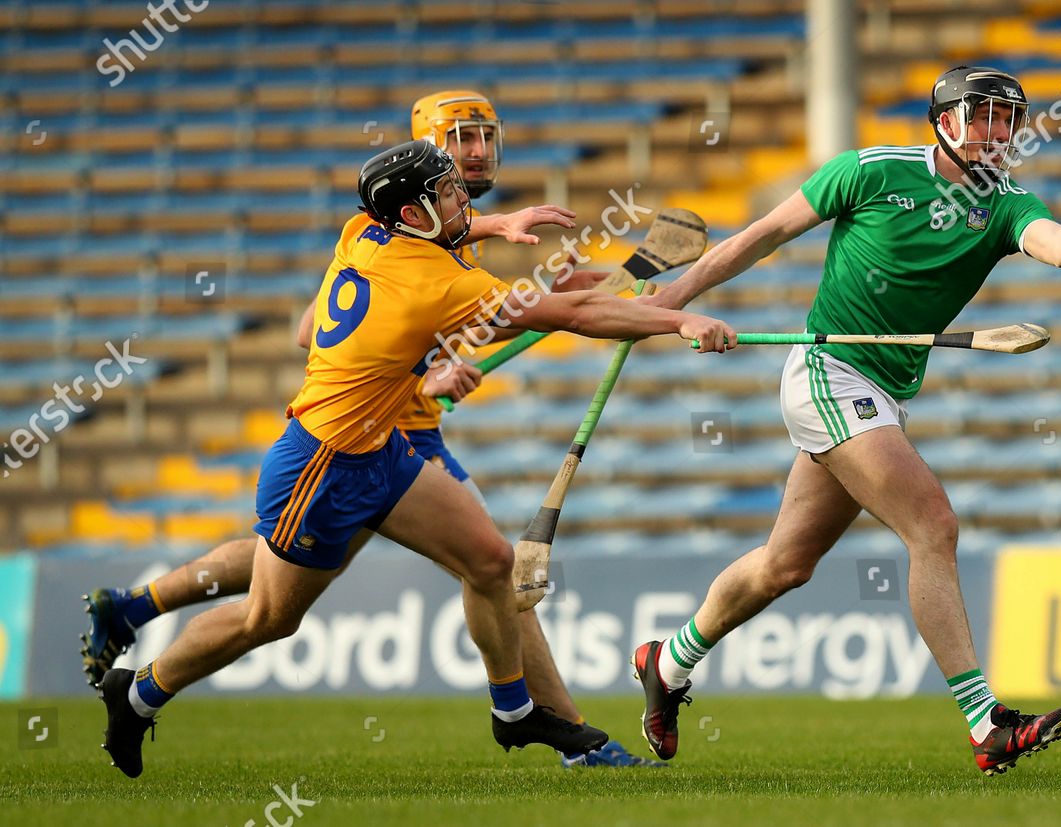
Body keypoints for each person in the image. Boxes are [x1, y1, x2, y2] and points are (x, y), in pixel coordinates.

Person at [96, 139, 736, 778]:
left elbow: (470, 258)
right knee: (269, 617)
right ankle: (141, 692)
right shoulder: (438, 285)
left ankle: (514, 714)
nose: (465, 199)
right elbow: (569, 312)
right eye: (450, 193)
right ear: (413, 214)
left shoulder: (361, 231)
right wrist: (675, 323)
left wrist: (498, 226)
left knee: (491, 563)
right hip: (321, 467)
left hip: (383, 450)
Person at [629, 66, 1061, 775]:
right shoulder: (869, 171)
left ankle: (668, 660)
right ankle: (985, 721)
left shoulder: (1005, 206)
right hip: (827, 372)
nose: (998, 131)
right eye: (985, 115)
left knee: (785, 565)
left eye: (1008, 119)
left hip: (885, 393)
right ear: (947, 120)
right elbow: (762, 236)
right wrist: (675, 304)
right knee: (933, 524)